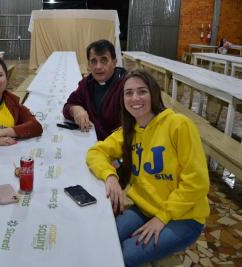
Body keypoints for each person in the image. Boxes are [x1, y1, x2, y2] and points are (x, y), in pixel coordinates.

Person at [86, 69, 210, 266]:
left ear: (153, 94)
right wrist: (110, 176)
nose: (135, 98)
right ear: (123, 99)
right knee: (101, 242)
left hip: (184, 217)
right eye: (129, 93)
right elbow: (95, 153)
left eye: (142, 91)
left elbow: (197, 183)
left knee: (120, 257)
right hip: (143, 209)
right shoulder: (128, 131)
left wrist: (162, 218)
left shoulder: (178, 125)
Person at [63, 39, 127, 141]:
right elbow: (68, 106)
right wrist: (75, 109)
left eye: (104, 60)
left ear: (114, 62)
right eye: (93, 61)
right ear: (88, 64)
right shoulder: (87, 84)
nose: (98, 67)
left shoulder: (127, 86)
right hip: (91, 143)